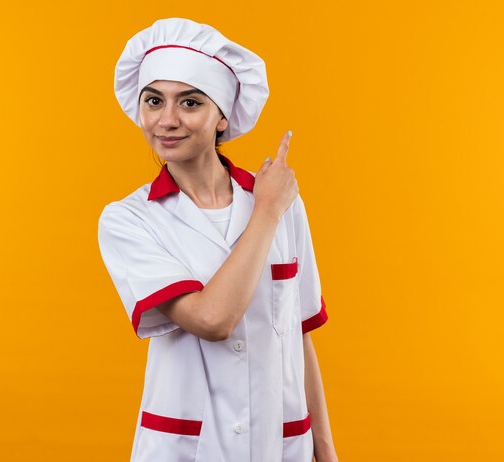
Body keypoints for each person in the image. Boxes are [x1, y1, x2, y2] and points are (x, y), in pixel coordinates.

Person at [98, 18, 338, 462]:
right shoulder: (129, 220)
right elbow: (212, 320)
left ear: (222, 115)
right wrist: (265, 211)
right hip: (186, 449)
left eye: (189, 103)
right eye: (154, 101)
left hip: (281, 446)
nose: (167, 120)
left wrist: (325, 450)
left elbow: (300, 334)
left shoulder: (283, 202)